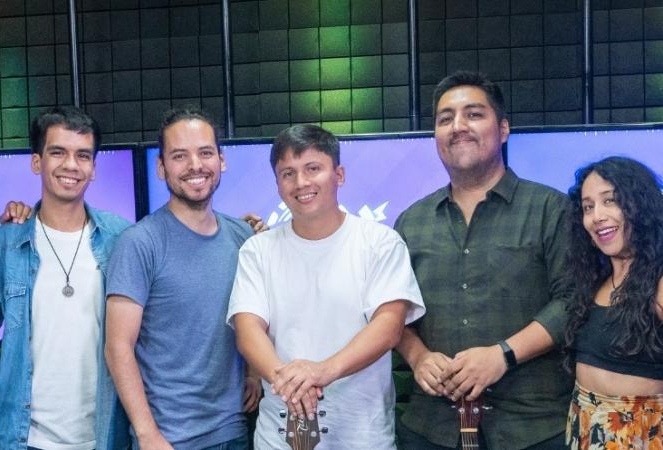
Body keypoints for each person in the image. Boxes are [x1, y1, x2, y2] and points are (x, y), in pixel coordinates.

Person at [394, 71, 573, 449]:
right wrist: (418, 356)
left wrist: (502, 356)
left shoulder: (550, 208)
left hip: (533, 426)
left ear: (503, 129)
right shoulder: (412, 221)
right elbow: (392, 310)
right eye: (445, 119)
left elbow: (572, 302)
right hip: (432, 426)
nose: (458, 126)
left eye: (473, 114)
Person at [228, 124, 426, 449]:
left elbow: (389, 328)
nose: (301, 182)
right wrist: (287, 381)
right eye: (288, 174)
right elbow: (248, 331)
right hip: (279, 436)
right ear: (277, 184)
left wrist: (322, 372)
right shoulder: (257, 250)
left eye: (313, 168)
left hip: (363, 436)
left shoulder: (380, 243)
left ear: (339, 175)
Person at [104, 107, 263, 450]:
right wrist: (147, 434)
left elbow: (253, 318)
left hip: (234, 431)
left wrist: (253, 373)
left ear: (221, 160)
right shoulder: (139, 243)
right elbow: (118, 347)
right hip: (170, 438)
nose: (195, 165)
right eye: (179, 156)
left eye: (205, 152)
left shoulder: (242, 237)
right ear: (161, 167)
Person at [0, 106, 131, 450]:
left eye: (83, 155)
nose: (71, 165)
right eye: (58, 152)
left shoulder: (122, 238)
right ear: (37, 162)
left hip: (105, 436)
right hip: (24, 438)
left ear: (93, 168)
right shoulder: (3, 244)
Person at [563, 156, 663, 449]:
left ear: (640, 206)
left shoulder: (658, 281)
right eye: (588, 207)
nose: (597, 216)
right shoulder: (594, 279)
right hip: (583, 430)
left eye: (610, 201)